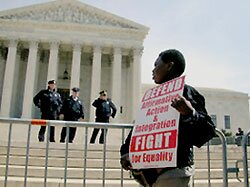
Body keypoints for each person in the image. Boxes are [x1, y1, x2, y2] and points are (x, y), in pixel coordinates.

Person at [120, 49, 216, 187]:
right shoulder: (152, 97)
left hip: (173, 173)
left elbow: (207, 132)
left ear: (169, 66)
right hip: (148, 175)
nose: (152, 70)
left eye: (156, 65)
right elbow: (141, 128)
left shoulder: (186, 93)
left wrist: (189, 113)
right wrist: (126, 151)